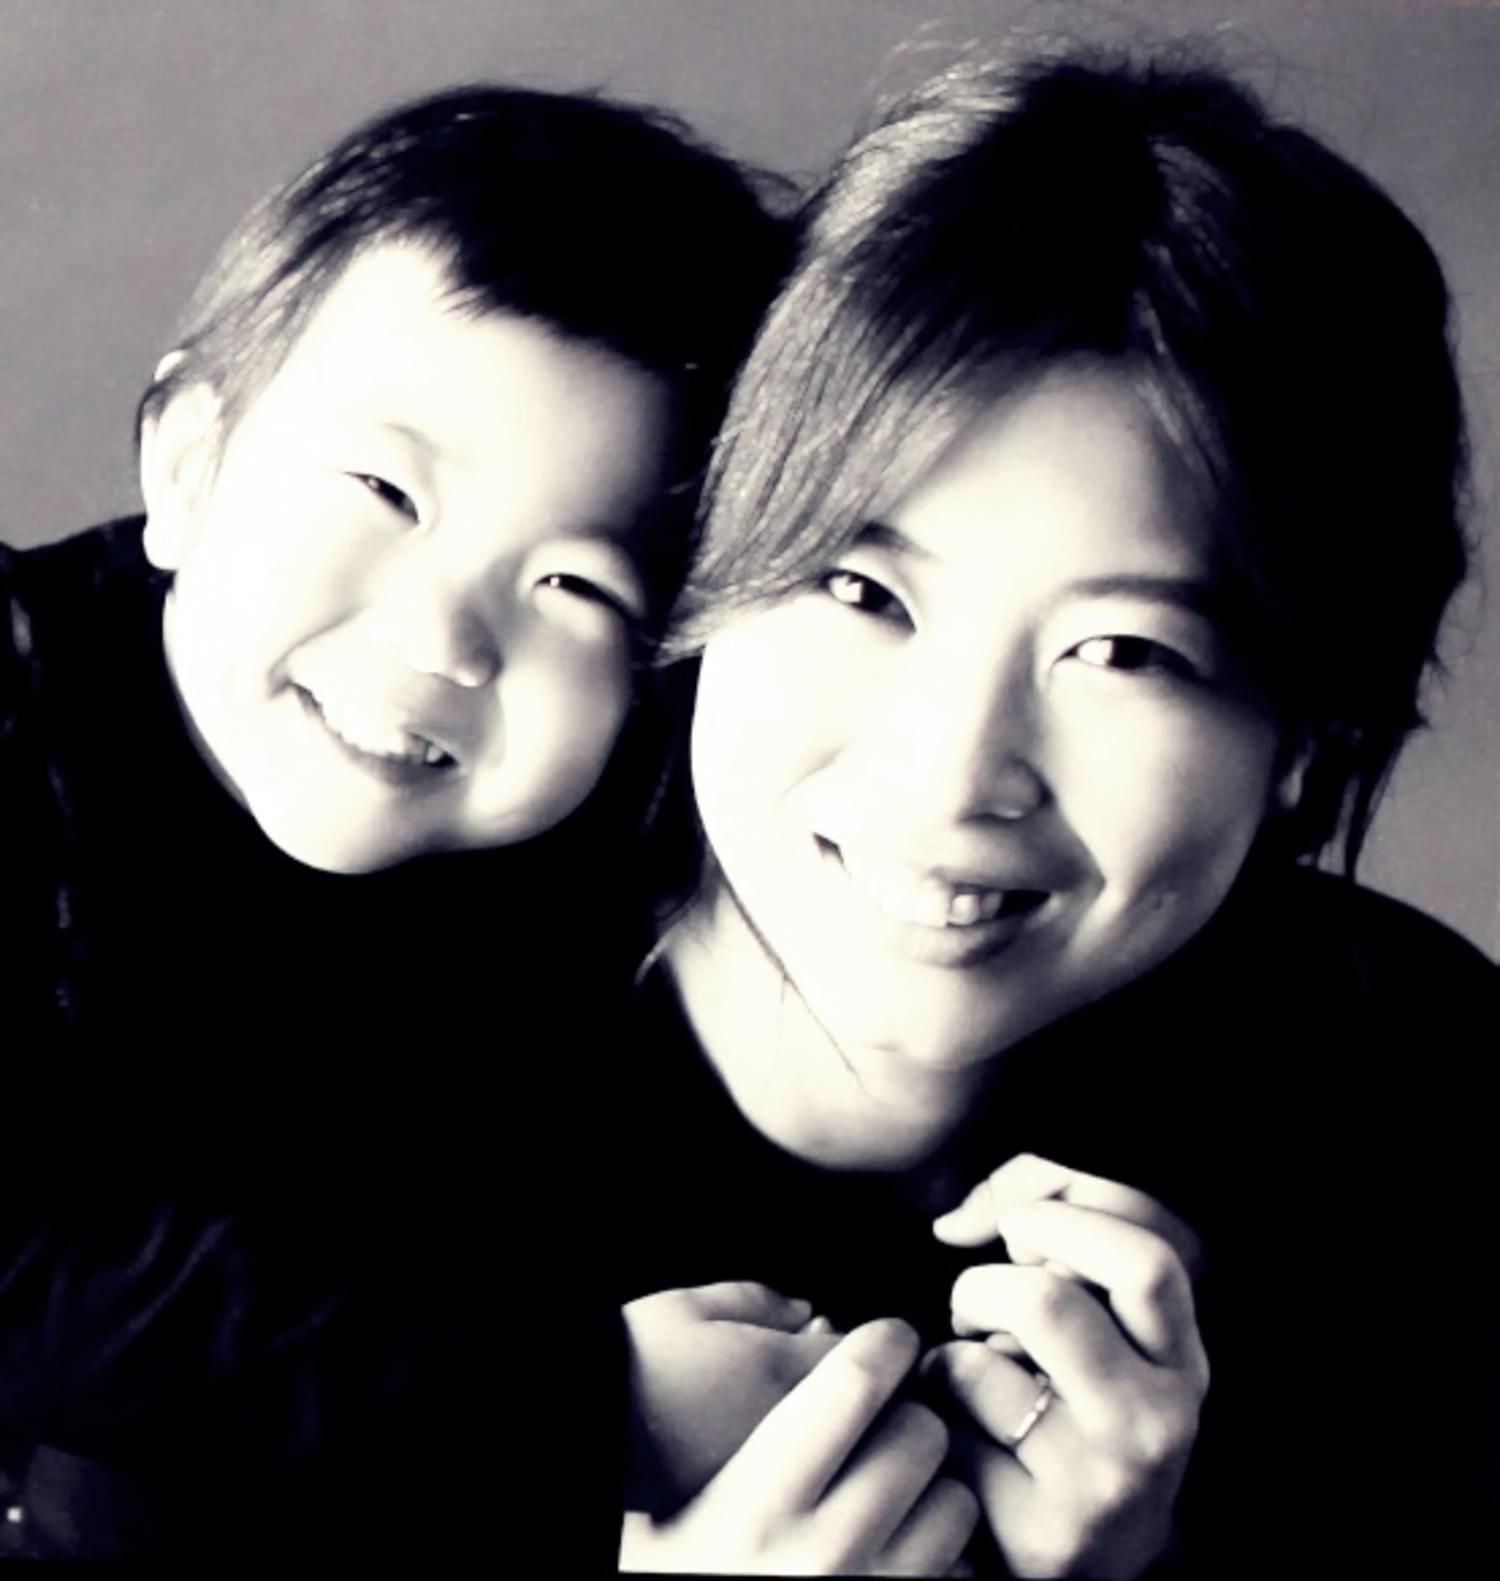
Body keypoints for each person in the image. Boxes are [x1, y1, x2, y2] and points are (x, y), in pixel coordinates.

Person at [613, 44, 1498, 1577]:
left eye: (1124, 652)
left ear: (1309, 737)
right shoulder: (324, 1038)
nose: (956, 773)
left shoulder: (1419, 1099)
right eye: (861, 589)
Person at [0, 84, 786, 1561]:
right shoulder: (16, 688)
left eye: (576, 586)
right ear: (186, 465)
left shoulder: (618, 871)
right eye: (383, 490)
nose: (445, 637)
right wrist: (581, 1399)